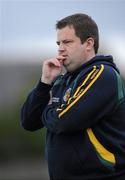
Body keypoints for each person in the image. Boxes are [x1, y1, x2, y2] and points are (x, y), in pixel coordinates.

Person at [21, 13, 125, 180]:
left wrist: (48, 107)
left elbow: (63, 121)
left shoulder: (102, 74)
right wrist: (44, 83)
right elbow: (28, 122)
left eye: (67, 42)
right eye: (59, 43)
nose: (60, 48)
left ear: (89, 43)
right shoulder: (62, 79)